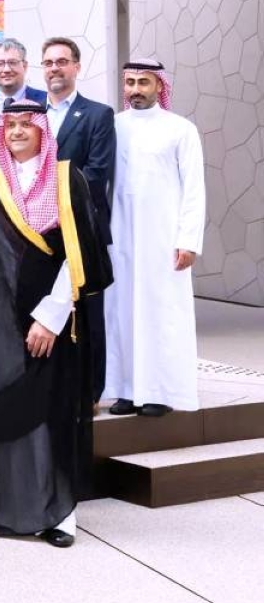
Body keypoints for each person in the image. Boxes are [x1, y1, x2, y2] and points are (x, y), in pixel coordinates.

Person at [0, 103, 111, 547]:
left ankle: (59, 516)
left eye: (27, 125)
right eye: (11, 126)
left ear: (43, 131)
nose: (18, 132)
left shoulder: (66, 177)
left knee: (50, 411)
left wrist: (51, 315)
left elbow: (79, 253)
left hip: (49, 317)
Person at [105, 60, 205, 417]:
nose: (135, 89)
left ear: (159, 86)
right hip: (120, 236)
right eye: (130, 82)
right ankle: (125, 390)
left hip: (164, 240)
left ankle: (160, 392)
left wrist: (188, 240)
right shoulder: (113, 126)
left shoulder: (181, 129)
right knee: (121, 311)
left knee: (162, 314)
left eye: (143, 82)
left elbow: (194, 189)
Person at [42, 36, 115, 402]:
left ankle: (90, 392)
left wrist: (48, 198)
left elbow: (97, 173)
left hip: (81, 227)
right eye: (48, 62)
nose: (55, 68)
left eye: (62, 61)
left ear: (76, 66)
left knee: (87, 312)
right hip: (38, 231)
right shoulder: (30, 113)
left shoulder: (98, 114)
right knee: (44, 309)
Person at [0, 38, 48, 112]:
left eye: (12, 62)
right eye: (0, 64)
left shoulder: (47, 102)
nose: (6, 69)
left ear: (24, 66)